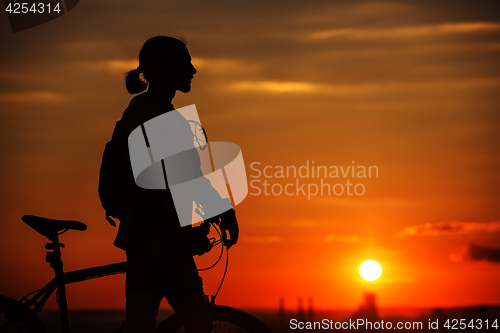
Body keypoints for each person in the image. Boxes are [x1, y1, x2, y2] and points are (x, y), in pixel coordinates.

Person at [111, 36, 239, 333]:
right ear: (162, 67)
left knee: (139, 326)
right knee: (198, 323)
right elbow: (176, 182)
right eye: (184, 62)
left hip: (143, 237)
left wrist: (217, 212)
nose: (192, 69)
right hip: (161, 239)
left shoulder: (144, 110)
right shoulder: (153, 115)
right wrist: (220, 214)